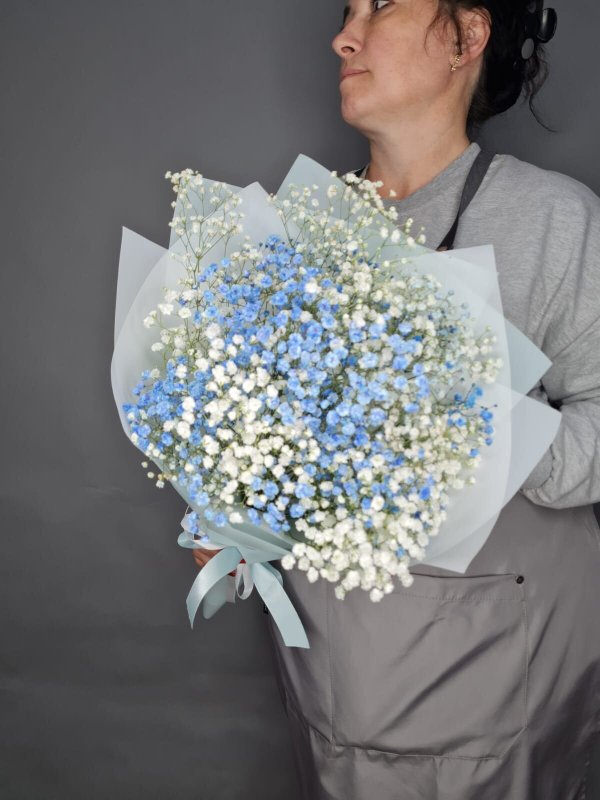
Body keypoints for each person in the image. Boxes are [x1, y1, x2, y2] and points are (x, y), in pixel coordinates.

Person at [194, 1, 600, 797]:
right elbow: (271, 465)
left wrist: (486, 424)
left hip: (503, 691)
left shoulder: (554, 220)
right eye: (347, 11)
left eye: (381, 5)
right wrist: (237, 525)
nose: (344, 36)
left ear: (467, 37)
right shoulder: (293, 238)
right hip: (337, 682)